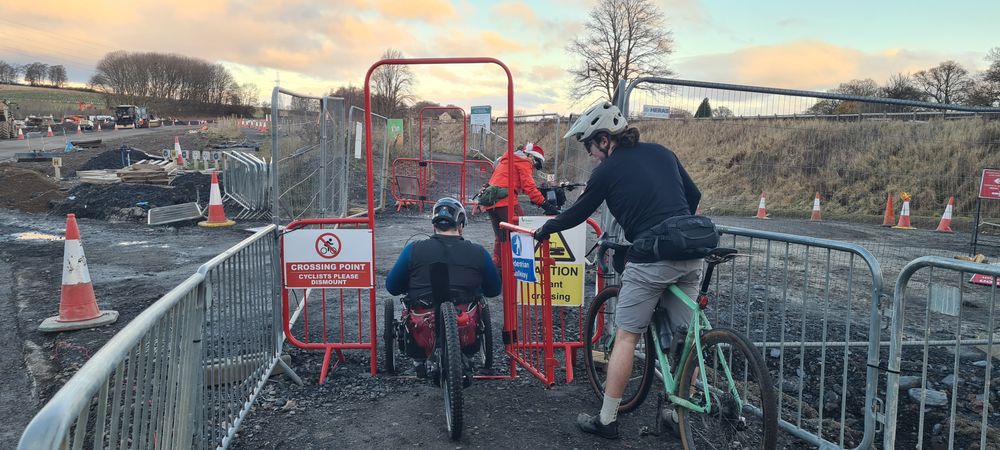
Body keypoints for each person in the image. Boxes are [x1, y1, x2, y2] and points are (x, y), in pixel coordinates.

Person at [533, 102, 703, 439]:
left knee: (626, 335)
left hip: (654, 256)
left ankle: (607, 420)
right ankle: (680, 411)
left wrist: (546, 229)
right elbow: (693, 194)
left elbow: (579, 211)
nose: (591, 155)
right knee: (687, 337)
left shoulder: (607, 171)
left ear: (604, 140)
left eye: (589, 147)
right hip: (692, 249)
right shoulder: (663, 152)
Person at [385, 197, 502, 374]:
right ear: (461, 224)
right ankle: (465, 357)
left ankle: (420, 360)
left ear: (434, 226)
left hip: (423, 326)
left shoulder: (413, 249)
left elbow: (392, 286)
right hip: (464, 326)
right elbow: (493, 290)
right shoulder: (478, 252)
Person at [481, 142, 559, 269]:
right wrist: (545, 204)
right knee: (523, 229)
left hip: (491, 203)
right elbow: (529, 187)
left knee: (501, 238)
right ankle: (521, 268)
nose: (534, 167)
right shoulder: (523, 162)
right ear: (531, 156)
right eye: (537, 163)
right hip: (506, 201)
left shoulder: (507, 160)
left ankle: (499, 269)